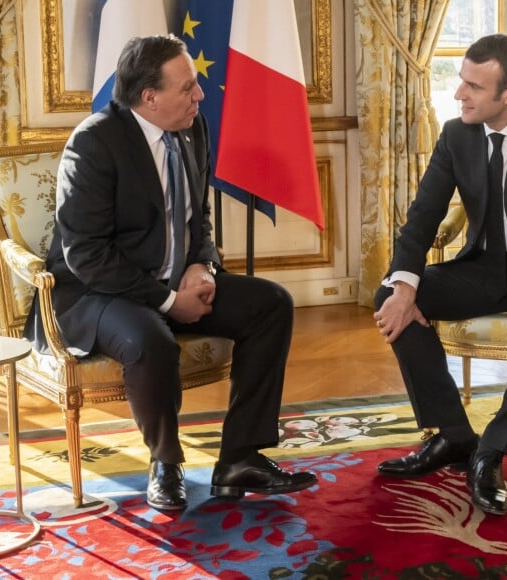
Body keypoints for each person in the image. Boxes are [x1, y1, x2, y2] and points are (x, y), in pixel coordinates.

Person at [24, 34, 317, 511]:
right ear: (149, 97)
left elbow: (198, 213)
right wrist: (166, 300)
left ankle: (240, 457)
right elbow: (87, 256)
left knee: (272, 304)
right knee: (151, 338)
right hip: (96, 294)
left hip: (172, 280)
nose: (200, 96)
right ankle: (165, 461)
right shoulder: (94, 144)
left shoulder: (192, 128)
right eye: (188, 87)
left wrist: (202, 266)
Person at [373, 34, 507, 516]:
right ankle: (453, 435)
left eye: (474, 86)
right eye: (461, 82)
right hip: (483, 266)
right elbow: (423, 216)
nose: (459, 94)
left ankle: (491, 452)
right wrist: (404, 285)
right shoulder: (457, 134)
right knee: (390, 294)